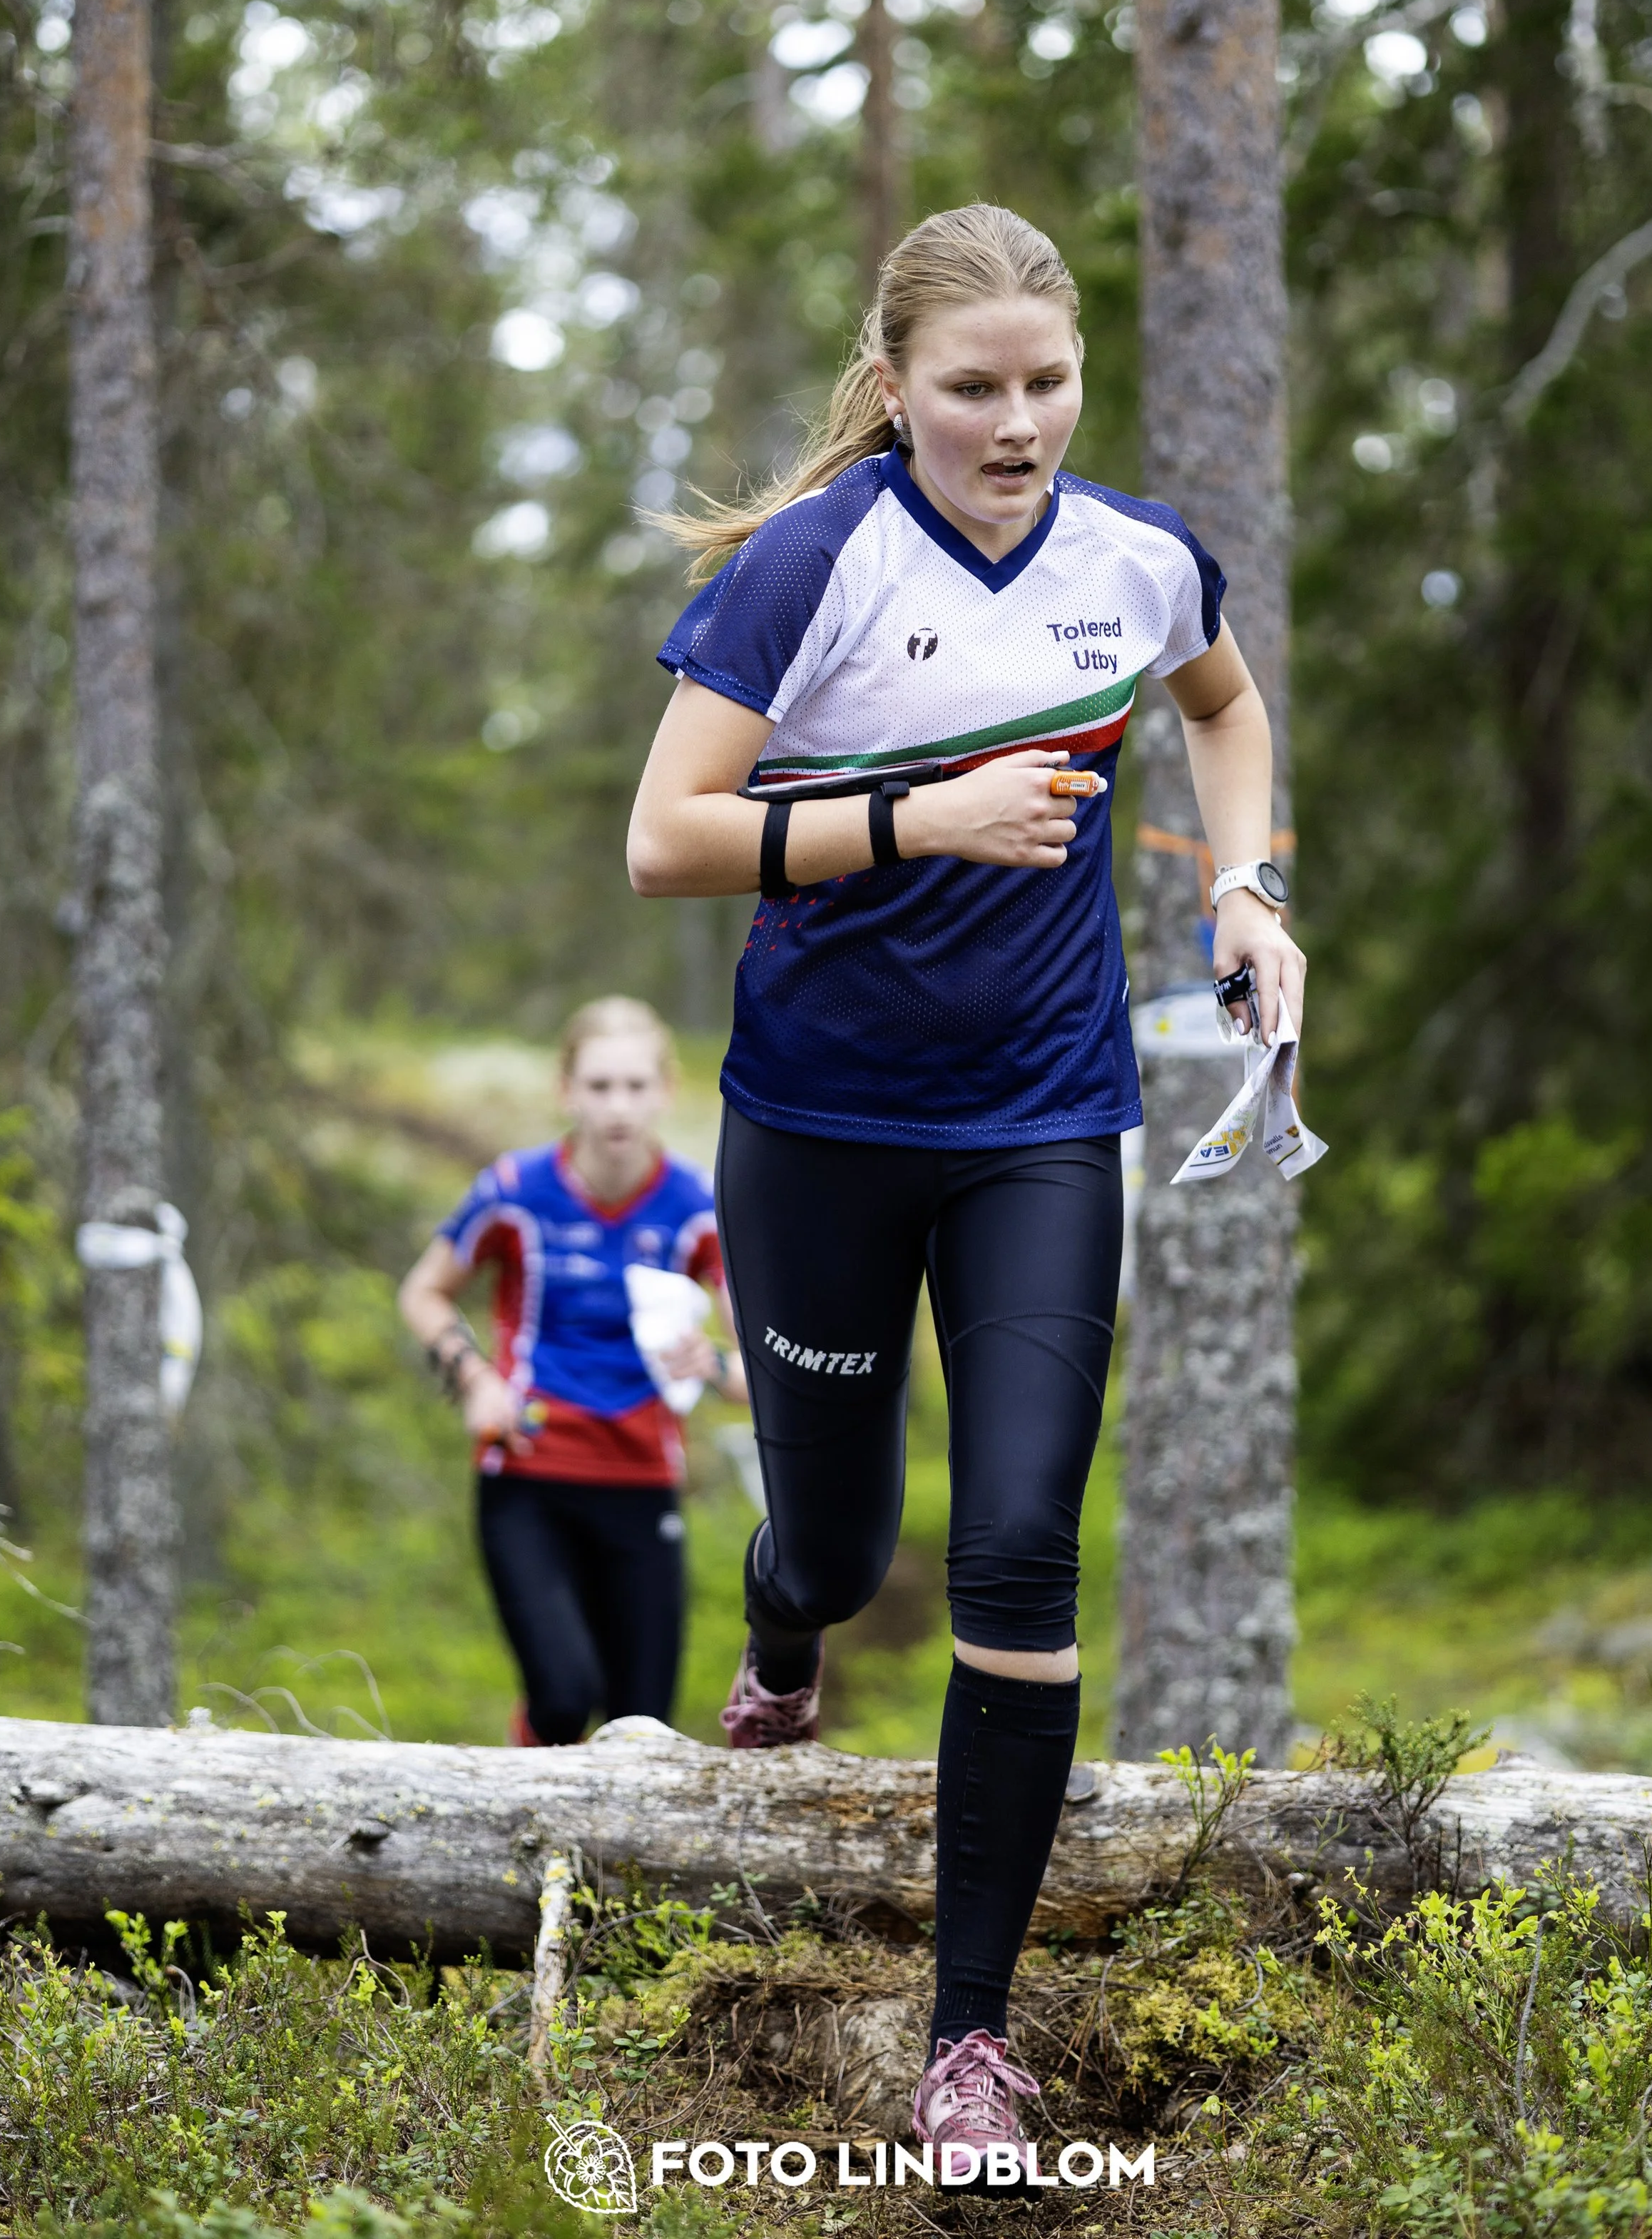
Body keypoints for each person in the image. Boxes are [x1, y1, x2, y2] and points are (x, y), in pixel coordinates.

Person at [624, 203, 1306, 2178]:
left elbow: (1224, 711)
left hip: (1039, 1120)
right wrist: (923, 814)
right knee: (834, 1547)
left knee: (1018, 1549)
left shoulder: (1137, 555)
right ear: (897, 383)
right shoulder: (806, 568)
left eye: (1046, 384)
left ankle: (970, 2043)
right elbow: (665, 841)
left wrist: (1244, 890)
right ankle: (781, 1626)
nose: (1016, 423)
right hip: (822, 1129)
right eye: (972, 389)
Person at [397, 996, 746, 1747]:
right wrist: (472, 1373)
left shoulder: (695, 1205)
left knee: (642, 1727)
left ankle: (615, 1872)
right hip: (528, 1470)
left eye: (633, 1085)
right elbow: (423, 1292)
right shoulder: (515, 1189)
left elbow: (765, 1369)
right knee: (562, 1694)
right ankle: (538, 1860)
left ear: (666, 1089)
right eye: (598, 1085)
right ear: (565, 1090)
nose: (617, 1106)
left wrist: (715, 1360)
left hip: (642, 1476)